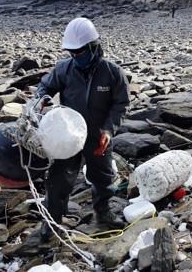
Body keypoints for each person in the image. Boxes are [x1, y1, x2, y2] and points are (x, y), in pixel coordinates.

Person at [36, 17, 130, 240]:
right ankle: (52, 222)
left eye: (79, 52)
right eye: (71, 52)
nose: (75, 56)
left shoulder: (112, 73)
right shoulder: (64, 69)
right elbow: (45, 87)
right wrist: (43, 99)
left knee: (104, 177)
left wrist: (108, 130)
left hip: (99, 137)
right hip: (69, 136)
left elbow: (121, 104)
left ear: (92, 47)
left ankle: (103, 213)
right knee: (58, 181)